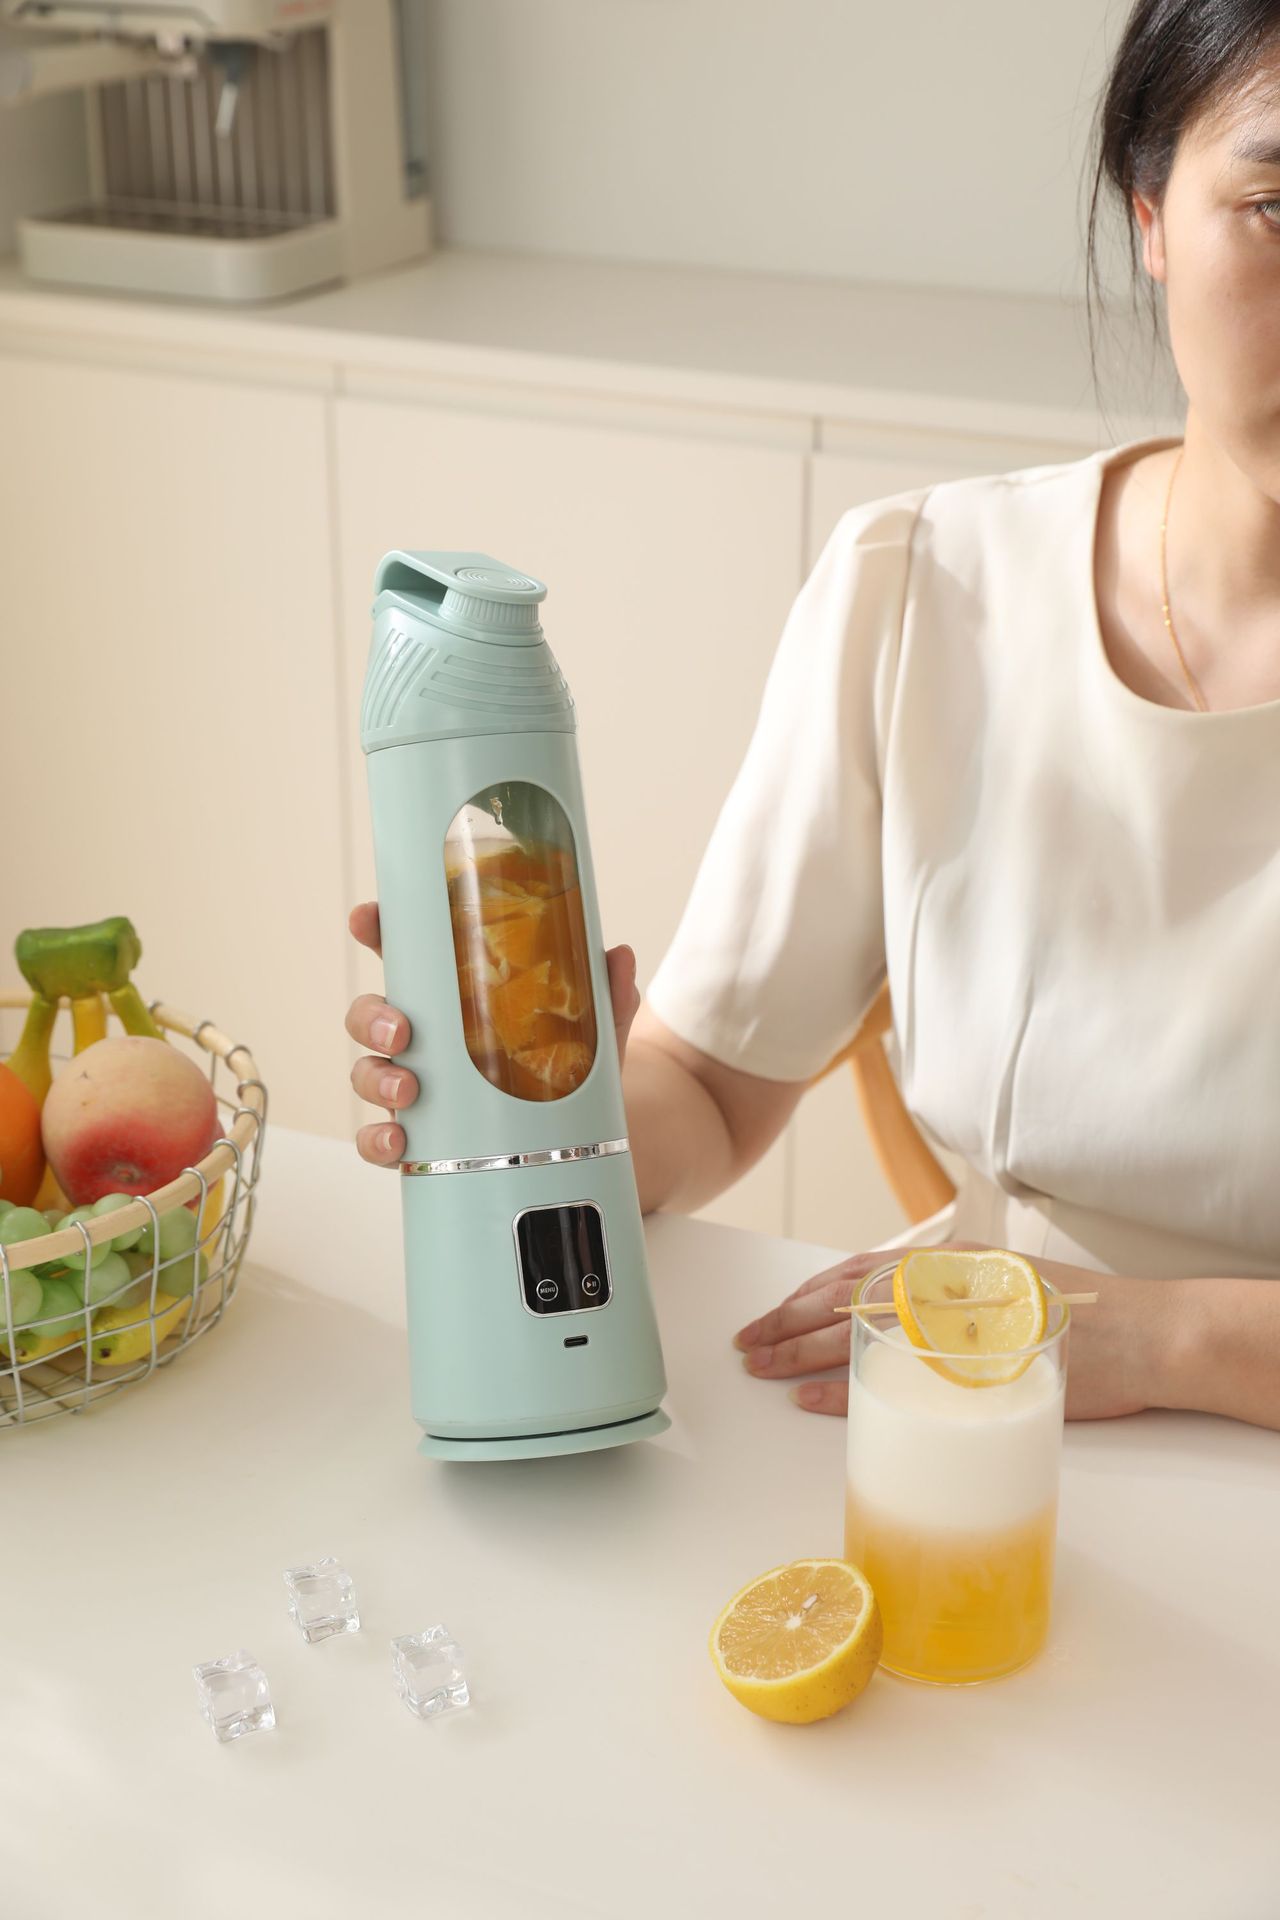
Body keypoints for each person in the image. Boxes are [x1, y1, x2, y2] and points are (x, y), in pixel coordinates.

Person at [345, 0, 1280, 1434]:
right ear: (1151, 215)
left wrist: (1154, 1340)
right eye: (1277, 207)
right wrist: (540, 1107)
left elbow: (1112, 1334)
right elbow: (711, 1092)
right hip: (961, 1420)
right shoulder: (928, 586)